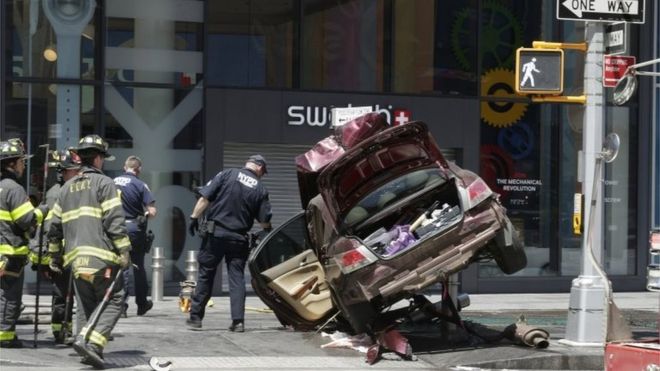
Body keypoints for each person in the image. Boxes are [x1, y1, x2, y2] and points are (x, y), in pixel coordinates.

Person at [47, 134, 131, 369]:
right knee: (115, 300)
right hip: (102, 259)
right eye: (102, 157)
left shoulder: (66, 189)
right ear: (96, 158)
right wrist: (124, 250)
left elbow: (53, 228)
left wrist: (55, 257)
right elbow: (114, 220)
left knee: (85, 305)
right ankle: (93, 345)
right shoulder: (105, 184)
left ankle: (86, 349)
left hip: (76, 262)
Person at [186, 154, 272, 332]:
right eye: (263, 172)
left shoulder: (226, 174)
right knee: (237, 278)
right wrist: (267, 231)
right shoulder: (260, 189)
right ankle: (238, 322)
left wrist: (194, 217)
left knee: (205, 274)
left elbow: (204, 198)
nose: (262, 175)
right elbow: (264, 222)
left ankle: (195, 318)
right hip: (238, 239)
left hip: (215, 235)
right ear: (259, 168)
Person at [28, 149, 81, 344]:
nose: (78, 173)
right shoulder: (56, 194)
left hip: (71, 252)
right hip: (59, 254)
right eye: (74, 170)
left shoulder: (70, 190)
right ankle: (60, 331)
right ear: (64, 172)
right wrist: (53, 257)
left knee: (69, 294)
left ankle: (65, 328)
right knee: (62, 294)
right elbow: (51, 228)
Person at [0, 139, 48, 348]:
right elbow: (26, 220)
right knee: (10, 298)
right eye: (22, 161)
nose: (23, 165)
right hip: (10, 253)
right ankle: (5, 337)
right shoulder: (13, 188)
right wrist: (42, 210)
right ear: (13, 163)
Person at [113, 155, 157, 317]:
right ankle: (142, 304)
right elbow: (152, 212)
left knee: (120, 267)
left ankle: (121, 306)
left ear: (125, 168)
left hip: (115, 228)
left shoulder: (112, 182)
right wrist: (144, 213)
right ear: (138, 170)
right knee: (138, 266)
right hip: (134, 229)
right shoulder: (140, 185)